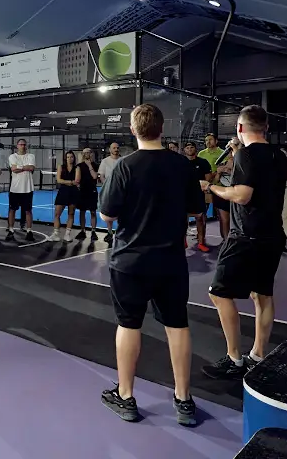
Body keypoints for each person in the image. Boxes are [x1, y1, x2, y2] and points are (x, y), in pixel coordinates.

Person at [99, 104, 202, 426]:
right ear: (161, 129)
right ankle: (183, 399)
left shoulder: (125, 166)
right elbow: (197, 209)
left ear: (133, 130)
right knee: (177, 325)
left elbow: (107, 214)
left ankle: (126, 396)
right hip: (170, 260)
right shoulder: (182, 165)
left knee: (129, 324)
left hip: (130, 261)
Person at [200, 105, 287, 379]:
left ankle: (234, 359)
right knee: (262, 294)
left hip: (246, 236)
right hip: (272, 235)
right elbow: (266, 178)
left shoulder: (246, 155)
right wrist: (239, 154)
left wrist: (211, 187)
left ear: (239, 128)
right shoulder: (279, 154)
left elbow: (242, 195)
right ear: (266, 127)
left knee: (218, 293)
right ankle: (258, 356)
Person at [183, 142, 212, 252]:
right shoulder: (180, 162)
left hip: (198, 195)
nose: (190, 149)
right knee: (183, 220)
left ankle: (201, 243)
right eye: (187, 148)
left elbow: (208, 178)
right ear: (184, 150)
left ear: (195, 149)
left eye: (192, 147)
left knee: (200, 219)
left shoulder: (203, 162)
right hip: (184, 195)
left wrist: (203, 186)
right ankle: (183, 241)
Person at [6, 139, 36, 242]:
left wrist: (19, 167)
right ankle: (11, 230)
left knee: (28, 210)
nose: (22, 146)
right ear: (17, 146)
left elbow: (31, 168)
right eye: (21, 144)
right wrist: (25, 167)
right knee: (12, 210)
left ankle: (29, 231)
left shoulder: (31, 156)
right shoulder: (12, 157)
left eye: (24, 144)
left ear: (26, 146)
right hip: (15, 189)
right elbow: (13, 169)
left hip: (28, 188)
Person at [48, 150, 78, 243]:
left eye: (71, 157)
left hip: (73, 193)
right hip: (63, 192)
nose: (70, 159)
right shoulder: (60, 167)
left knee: (71, 214)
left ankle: (67, 235)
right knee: (57, 214)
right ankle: (55, 234)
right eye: (68, 157)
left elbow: (77, 181)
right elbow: (59, 180)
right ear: (65, 158)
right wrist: (70, 182)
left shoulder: (77, 168)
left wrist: (67, 182)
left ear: (74, 158)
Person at [98, 142, 121, 242]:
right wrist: (107, 187)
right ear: (110, 150)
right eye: (114, 148)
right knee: (109, 212)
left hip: (120, 191)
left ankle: (119, 233)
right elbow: (102, 176)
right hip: (108, 192)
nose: (116, 149)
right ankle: (109, 232)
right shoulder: (105, 161)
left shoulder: (122, 161)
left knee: (121, 213)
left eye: (117, 148)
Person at [76, 147, 99, 242]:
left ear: (91, 154)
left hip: (92, 191)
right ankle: (82, 231)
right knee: (82, 212)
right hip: (83, 191)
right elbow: (77, 179)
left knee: (93, 212)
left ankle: (93, 231)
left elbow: (94, 176)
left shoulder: (95, 165)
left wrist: (89, 165)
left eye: (88, 152)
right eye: (84, 153)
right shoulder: (79, 166)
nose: (86, 154)